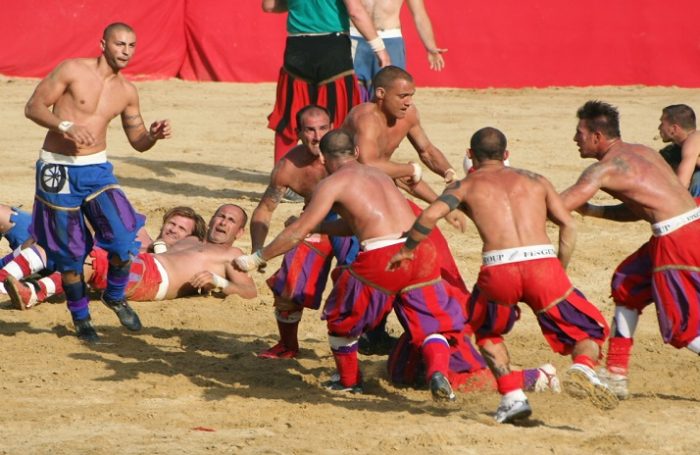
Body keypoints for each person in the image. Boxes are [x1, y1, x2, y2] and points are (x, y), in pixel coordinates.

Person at [387, 127, 617, 423]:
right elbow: (568, 225)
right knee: (586, 331)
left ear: (471, 155)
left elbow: (429, 216)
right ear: (506, 155)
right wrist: (559, 267)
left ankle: (512, 395)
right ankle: (583, 366)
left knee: (485, 332)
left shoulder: (466, 186)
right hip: (543, 265)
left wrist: (408, 249)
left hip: (499, 269)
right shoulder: (537, 180)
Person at [236, 129, 467, 402]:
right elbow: (355, 222)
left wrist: (257, 258)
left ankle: (348, 381)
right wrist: (322, 227)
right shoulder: (379, 174)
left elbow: (298, 232)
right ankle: (438, 373)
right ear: (356, 153)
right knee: (429, 323)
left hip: (383, 255)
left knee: (340, 318)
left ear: (322, 158)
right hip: (421, 251)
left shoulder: (332, 184)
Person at [23, 22, 172, 342]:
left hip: (97, 170)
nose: (126, 52)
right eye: (120, 44)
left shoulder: (127, 91)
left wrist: (154, 136)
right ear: (102, 43)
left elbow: (138, 141)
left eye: (132, 46)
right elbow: (33, 107)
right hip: (57, 169)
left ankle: (115, 296)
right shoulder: (72, 70)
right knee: (71, 254)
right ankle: (81, 318)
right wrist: (66, 126)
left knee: (122, 238)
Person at [560, 100, 700, 400]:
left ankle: (614, 376)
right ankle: (615, 374)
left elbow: (559, 207)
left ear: (597, 137)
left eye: (580, 133)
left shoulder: (602, 170)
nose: (575, 140)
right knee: (627, 283)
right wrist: (594, 211)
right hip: (691, 224)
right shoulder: (644, 152)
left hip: (676, 239)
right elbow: (642, 208)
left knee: (682, 327)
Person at [343, 65, 468, 351]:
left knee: (426, 248)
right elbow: (368, 164)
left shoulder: (409, 115)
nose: (408, 101)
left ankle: (438, 325)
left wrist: (448, 177)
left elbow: (426, 151)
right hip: (350, 196)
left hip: (384, 191)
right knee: (360, 264)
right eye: (402, 95)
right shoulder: (364, 117)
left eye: (411, 95)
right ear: (380, 94)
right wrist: (409, 169)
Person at [250, 104, 359, 358]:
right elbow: (265, 209)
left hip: (352, 223)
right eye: (310, 130)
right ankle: (288, 345)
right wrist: (257, 249)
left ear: (332, 128)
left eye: (323, 128)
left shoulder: (351, 154)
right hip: (313, 222)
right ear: (298, 132)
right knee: (290, 281)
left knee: (357, 281)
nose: (317, 136)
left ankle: (376, 338)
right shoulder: (288, 166)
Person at [6, 204, 256, 308]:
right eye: (221, 216)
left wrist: (218, 281)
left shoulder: (232, 254)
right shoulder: (192, 240)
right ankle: (7, 277)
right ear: (211, 219)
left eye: (231, 220)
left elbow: (249, 292)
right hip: (143, 265)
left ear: (239, 231)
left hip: (154, 280)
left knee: (94, 259)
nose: (223, 222)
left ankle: (35, 293)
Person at [263, 0, 390, 163]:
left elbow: (269, 6)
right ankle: (338, 170)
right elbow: (355, 11)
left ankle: (280, 176)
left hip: (297, 47)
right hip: (333, 47)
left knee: (290, 116)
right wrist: (379, 48)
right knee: (339, 115)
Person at [350, 0, 446, 101]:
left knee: (389, 94)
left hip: (390, 40)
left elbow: (419, 14)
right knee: (353, 94)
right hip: (355, 38)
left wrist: (430, 46)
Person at [657, 104, 700, 196]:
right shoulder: (673, 151)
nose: (659, 128)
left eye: (662, 123)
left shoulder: (694, 139)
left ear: (674, 128)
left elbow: (682, 183)